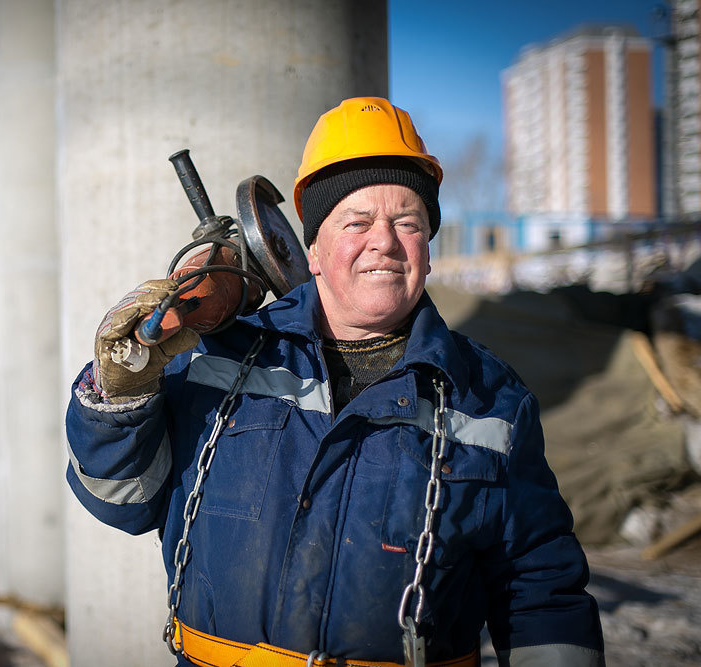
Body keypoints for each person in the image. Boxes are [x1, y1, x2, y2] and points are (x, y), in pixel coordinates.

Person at [66, 97, 604, 666]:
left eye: (408, 223)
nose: (385, 242)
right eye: (357, 222)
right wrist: (119, 394)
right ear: (313, 251)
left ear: (428, 250)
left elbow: (540, 589)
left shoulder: (491, 400)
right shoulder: (214, 359)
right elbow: (121, 501)